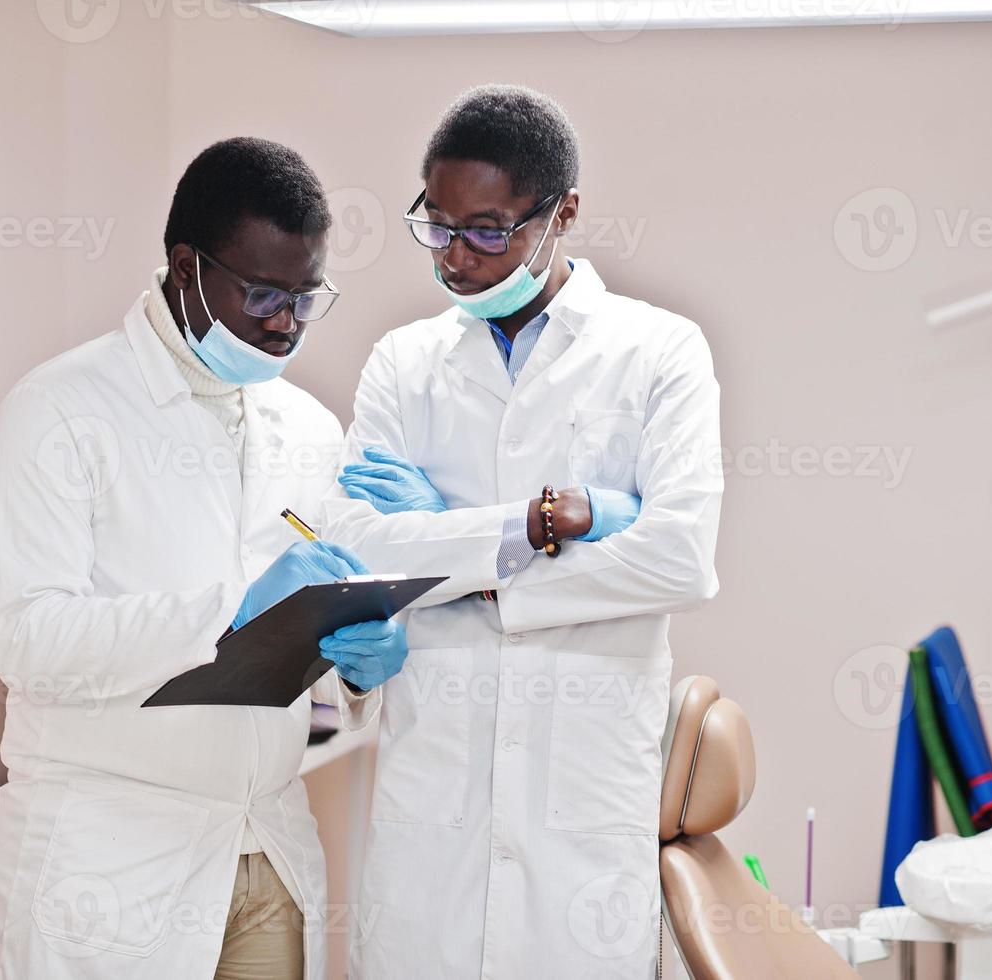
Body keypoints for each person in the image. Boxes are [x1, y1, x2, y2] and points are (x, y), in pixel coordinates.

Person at [0, 137, 407, 980]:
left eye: (306, 297)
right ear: (184, 267)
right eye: (263, 293)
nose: (285, 322)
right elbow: (25, 639)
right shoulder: (60, 411)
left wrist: (357, 668)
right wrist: (227, 612)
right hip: (110, 858)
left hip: (265, 843)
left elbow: (312, 637)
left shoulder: (309, 428)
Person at [318, 85, 724, 977]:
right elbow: (361, 545)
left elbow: (679, 559)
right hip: (434, 815)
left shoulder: (659, 353)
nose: (454, 259)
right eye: (437, 225)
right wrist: (539, 526)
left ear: (562, 213)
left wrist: (456, 552)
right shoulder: (403, 364)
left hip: (580, 809)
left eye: (489, 230)